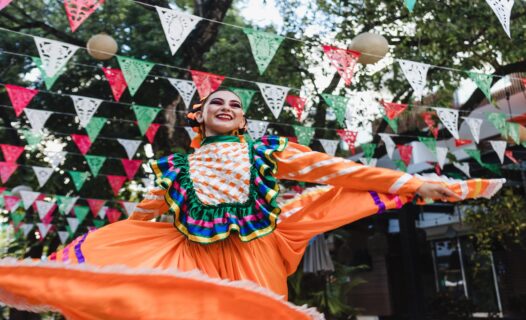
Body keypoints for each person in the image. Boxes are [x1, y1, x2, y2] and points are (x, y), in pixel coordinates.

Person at [0, 89, 505, 319]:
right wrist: (117, 261)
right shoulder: (174, 167)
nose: (226, 106)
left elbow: (340, 171)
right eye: (215, 102)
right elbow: (144, 216)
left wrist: (414, 186)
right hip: (193, 259)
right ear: (200, 118)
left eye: (235, 104)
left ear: (242, 121)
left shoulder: (267, 150)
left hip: (257, 253)